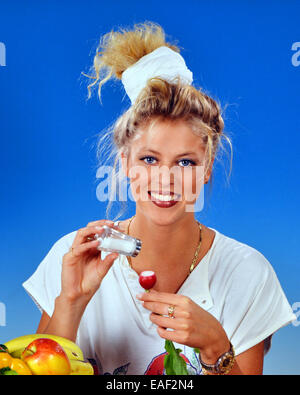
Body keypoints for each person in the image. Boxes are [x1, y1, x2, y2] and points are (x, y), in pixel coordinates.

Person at [23, 21, 296, 375]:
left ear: (208, 167)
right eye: (149, 159)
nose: (166, 179)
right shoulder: (70, 258)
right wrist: (70, 302)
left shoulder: (247, 272)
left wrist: (216, 347)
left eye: (185, 162)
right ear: (125, 164)